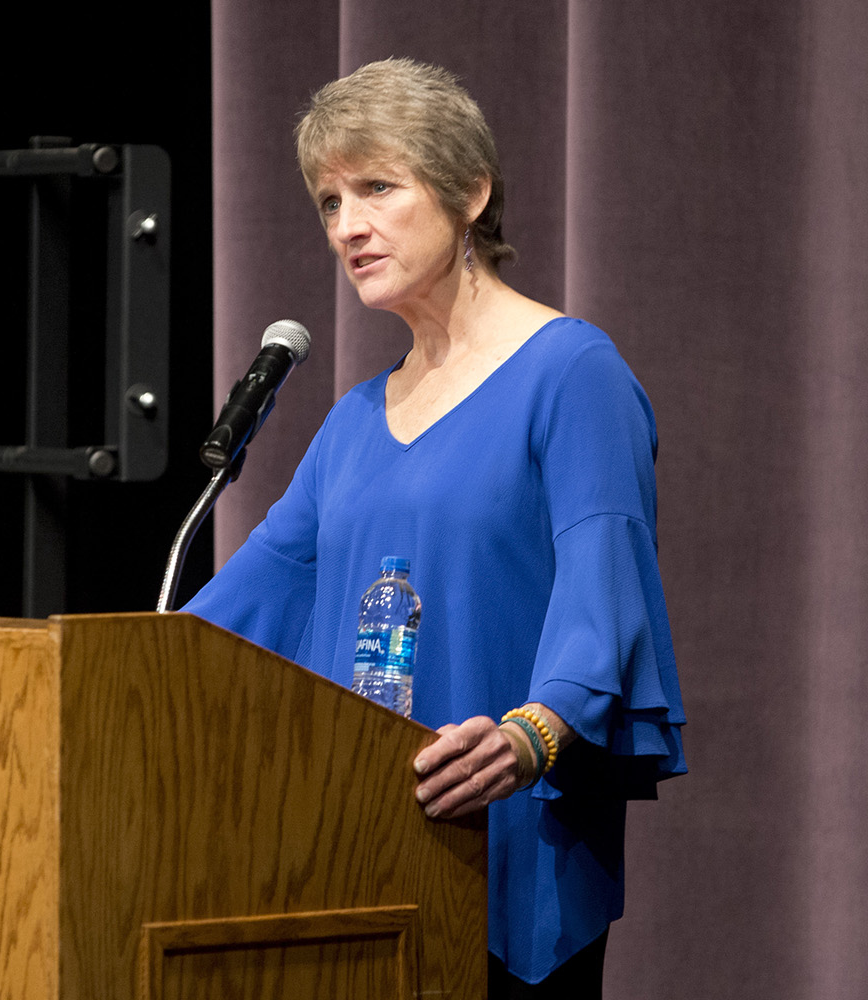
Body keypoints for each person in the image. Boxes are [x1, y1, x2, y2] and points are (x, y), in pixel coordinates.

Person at [184, 57, 686, 996]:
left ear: (471, 192)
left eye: (378, 187)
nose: (349, 227)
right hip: (353, 864)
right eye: (331, 201)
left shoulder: (571, 373)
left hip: (497, 848)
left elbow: (603, 590)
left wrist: (527, 736)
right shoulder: (353, 423)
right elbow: (236, 613)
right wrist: (82, 669)